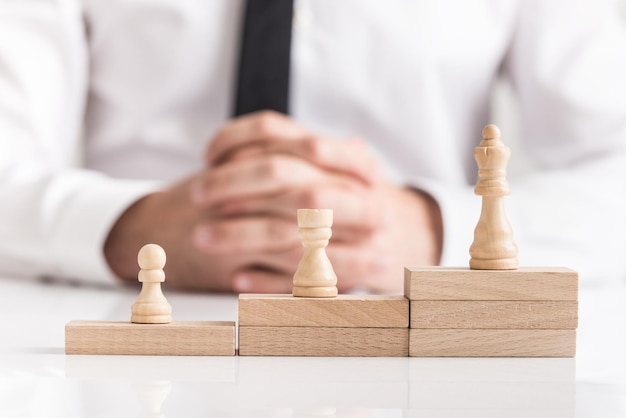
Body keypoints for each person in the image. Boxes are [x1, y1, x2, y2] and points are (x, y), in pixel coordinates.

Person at [0, 0, 625, 294]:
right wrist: (119, 227)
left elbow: (612, 166)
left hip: (415, 338)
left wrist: (433, 230)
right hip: (122, 321)